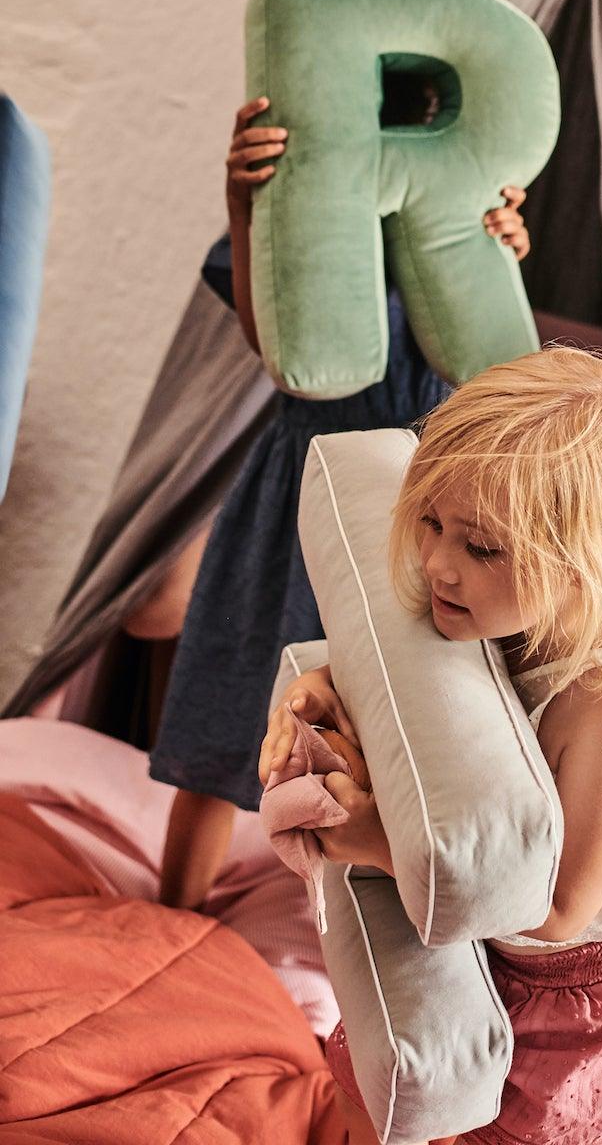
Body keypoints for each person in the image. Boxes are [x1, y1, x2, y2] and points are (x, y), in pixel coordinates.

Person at [260, 348, 602, 1145]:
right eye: (430, 522)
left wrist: (386, 842)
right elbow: (413, 695)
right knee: (370, 1098)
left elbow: (564, 903)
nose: (436, 564)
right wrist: (323, 693)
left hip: (583, 994)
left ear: (596, 560)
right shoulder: (498, 611)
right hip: (486, 950)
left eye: (482, 548)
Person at [152, 91, 530, 909]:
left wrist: (498, 256)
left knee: (382, 722)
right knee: (235, 701)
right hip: (301, 477)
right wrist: (246, 203)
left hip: (414, 496)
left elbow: (492, 369)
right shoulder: (318, 212)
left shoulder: (458, 224)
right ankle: (171, 920)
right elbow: (272, 341)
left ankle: (353, 933)